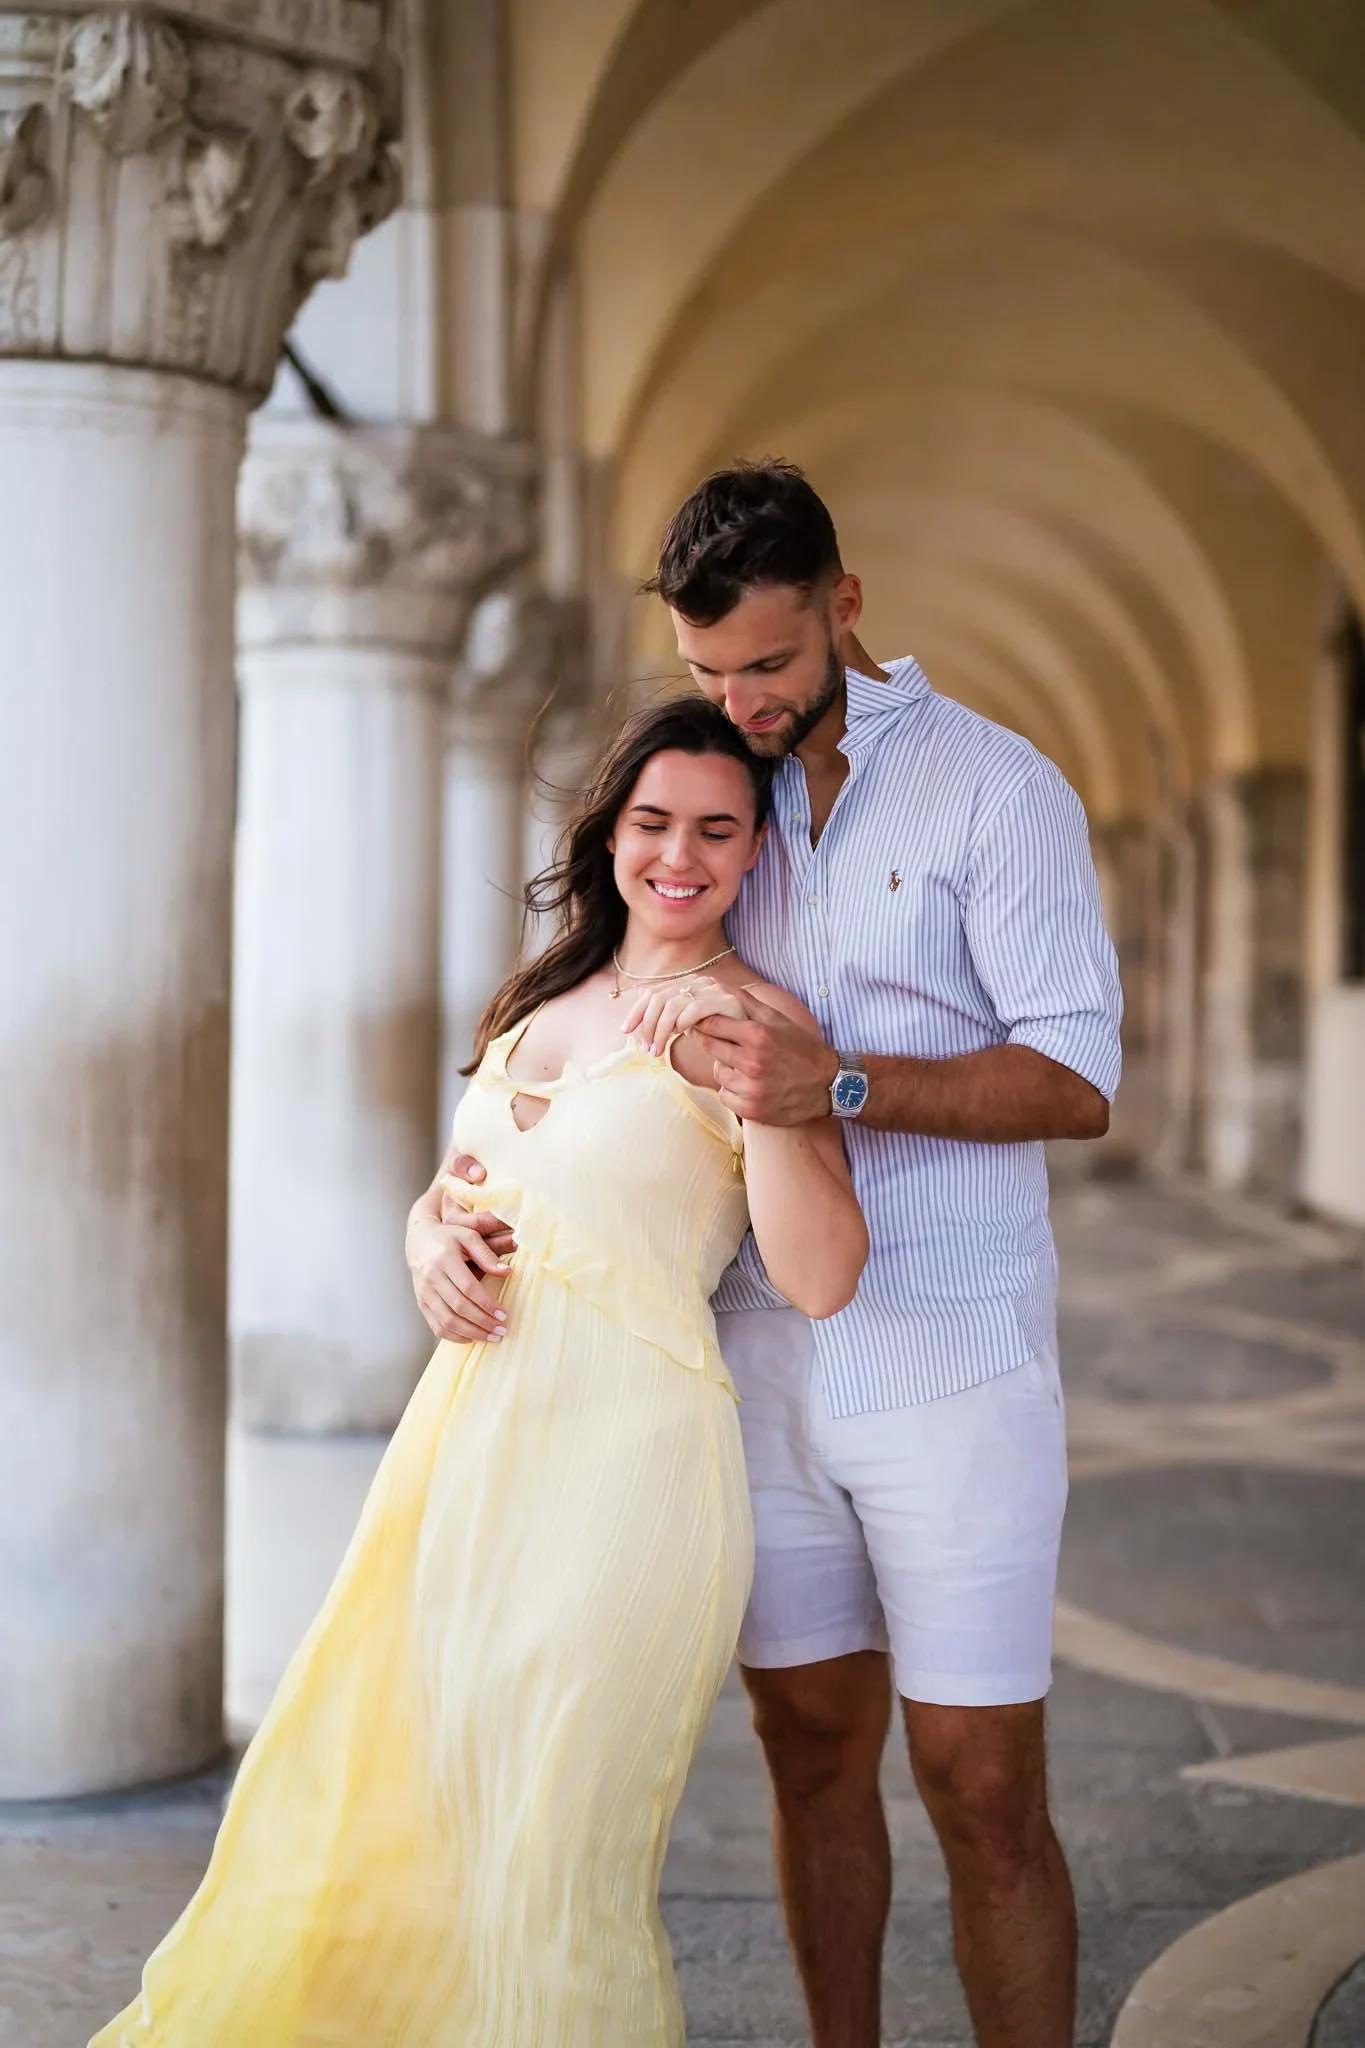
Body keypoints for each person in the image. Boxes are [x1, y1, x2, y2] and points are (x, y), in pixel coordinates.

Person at [436, 463, 1123, 2048]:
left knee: (982, 1782)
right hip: (745, 1364)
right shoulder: (712, 793)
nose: (741, 703)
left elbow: (1078, 1082)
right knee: (811, 1760)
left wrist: (847, 1085)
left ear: (845, 607)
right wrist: (444, 1211)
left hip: (951, 1357)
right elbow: (560, 1062)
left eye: (770, 665)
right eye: (709, 674)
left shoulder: (996, 792)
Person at [89, 694, 868, 2048]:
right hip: (463, 1459)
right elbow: (466, 1187)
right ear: (610, 829)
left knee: (559, 1857)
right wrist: (421, 1239)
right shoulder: (544, 995)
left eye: (717, 829)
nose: (679, 853)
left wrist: (776, 1098)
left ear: (757, 854)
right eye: (652, 821)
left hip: (631, 1478)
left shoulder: (756, 1020)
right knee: (411, 1809)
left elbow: (820, 1277)